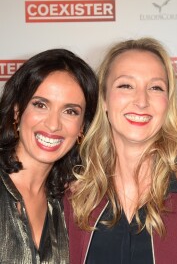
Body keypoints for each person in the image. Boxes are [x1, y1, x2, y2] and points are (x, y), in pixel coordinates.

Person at [64, 37, 177, 264]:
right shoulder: (72, 195)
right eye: (126, 85)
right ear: (103, 99)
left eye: (155, 87)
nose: (141, 101)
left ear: (167, 102)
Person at [0, 49, 98, 263]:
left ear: (82, 127)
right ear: (17, 111)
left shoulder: (68, 205)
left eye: (70, 111)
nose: (53, 124)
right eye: (40, 105)